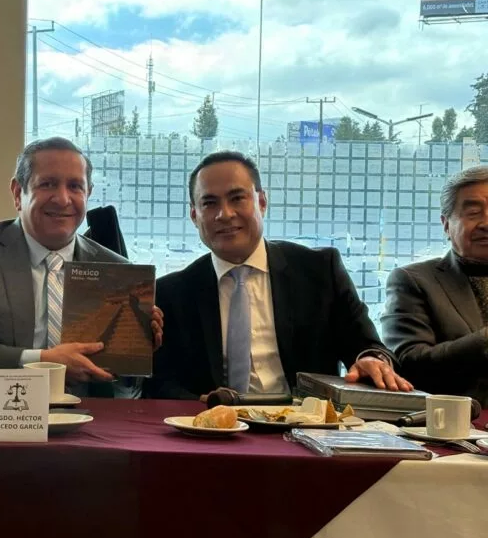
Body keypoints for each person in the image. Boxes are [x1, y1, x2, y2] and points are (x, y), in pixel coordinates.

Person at [148, 150, 411, 400]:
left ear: (262, 202)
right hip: (211, 424)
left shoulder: (319, 270)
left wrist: (372, 360)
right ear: (194, 216)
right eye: (209, 203)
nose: (224, 214)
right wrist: (200, 404)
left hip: (305, 422)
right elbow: (158, 384)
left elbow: (367, 346)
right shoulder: (171, 293)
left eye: (237, 198)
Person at [0, 137, 163, 395]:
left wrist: (135, 348)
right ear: (18, 193)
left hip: (89, 416)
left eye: (75, 186)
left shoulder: (117, 270)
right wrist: (40, 362)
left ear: (88, 194)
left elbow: (126, 388)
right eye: (47, 184)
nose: (62, 199)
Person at [382, 165, 488, 404]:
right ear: (446, 224)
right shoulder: (414, 280)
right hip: (455, 420)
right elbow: (407, 364)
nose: (486, 223)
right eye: (473, 212)